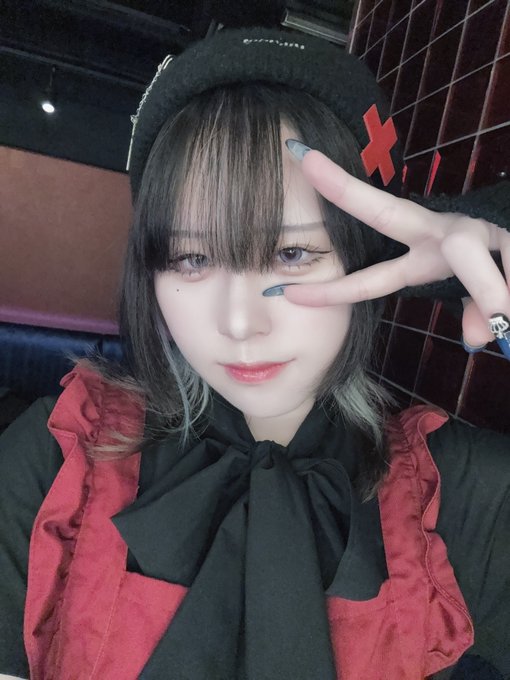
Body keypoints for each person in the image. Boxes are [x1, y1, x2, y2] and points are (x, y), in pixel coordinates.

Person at [1, 25, 509, 680]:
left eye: (292, 252)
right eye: (191, 258)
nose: (239, 322)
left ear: (368, 255)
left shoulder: (457, 493)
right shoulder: (56, 459)